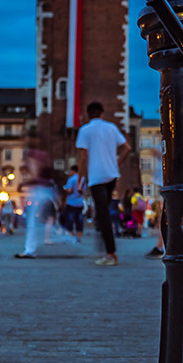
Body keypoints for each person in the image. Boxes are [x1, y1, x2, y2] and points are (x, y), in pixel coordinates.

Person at [75, 101, 131, 266]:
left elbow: (83, 158)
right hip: (111, 175)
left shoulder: (85, 130)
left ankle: (110, 254)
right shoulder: (111, 127)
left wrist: (79, 181)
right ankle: (105, 247)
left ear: (88, 114)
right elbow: (127, 148)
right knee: (102, 213)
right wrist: (117, 163)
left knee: (103, 214)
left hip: (97, 177)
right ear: (101, 113)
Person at [63, 171, 85, 239]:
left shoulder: (71, 179)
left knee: (70, 219)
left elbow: (69, 190)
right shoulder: (83, 179)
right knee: (79, 220)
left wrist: (64, 188)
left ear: (73, 171)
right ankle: (79, 236)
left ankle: (71, 235)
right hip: (80, 202)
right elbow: (84, 190)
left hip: (71, 202)